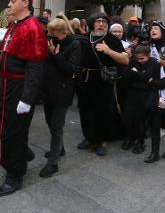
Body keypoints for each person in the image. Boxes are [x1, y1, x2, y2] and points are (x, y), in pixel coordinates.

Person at [0, 0, 47, 197]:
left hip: (19, 88)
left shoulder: (32, 27)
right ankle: (22, 154)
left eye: (13, 1)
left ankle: (14, 175)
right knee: (2, 124)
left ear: (25, 3)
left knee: (13, 132)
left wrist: (27, 98)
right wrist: (0, 76)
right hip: (6, 83)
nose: (8, 4)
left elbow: (35, 66)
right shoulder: (14, 25)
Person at [76, 12, 129, 156]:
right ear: (92, 23)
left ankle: (100, 141)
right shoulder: (85, 38)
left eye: (104, 21)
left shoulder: (112, 40)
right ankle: (88, 137)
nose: (101, 24)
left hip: (103, 81)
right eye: (98, 21)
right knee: (85, 110)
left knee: (102, 112)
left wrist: (108, 50)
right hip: (85, 80)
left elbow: (125, 60)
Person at [38, 14, 81, 178]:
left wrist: (56, 55)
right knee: (50, 121)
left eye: (52, 33)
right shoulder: (51, 41)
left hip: (63, 91)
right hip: (48, 89)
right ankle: (60, 148)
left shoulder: (74, 44)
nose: (49, 35)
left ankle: (53, 163)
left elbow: (71, 69)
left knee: (56, 126)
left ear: (61, 32)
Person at [121, 45, 158, 155]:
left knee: (140, 119)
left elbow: (147, 76)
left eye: (143, 59)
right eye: (138, 59)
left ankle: (140, 142)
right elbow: (125, 73)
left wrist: (135, 72)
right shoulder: (133, 60)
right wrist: (139, 74)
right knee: (128, 116)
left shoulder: (153, 62)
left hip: (145, 93)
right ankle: (129, 138)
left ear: (148, 55)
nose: (140, 61)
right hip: (132, 91)